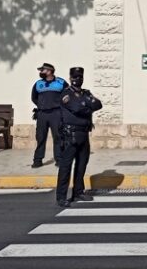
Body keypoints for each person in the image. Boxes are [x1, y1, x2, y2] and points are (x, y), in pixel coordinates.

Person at [55, 67, 103, 208]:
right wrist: (87, 106)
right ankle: (61, 196)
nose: (78, 80)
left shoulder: (86, 93)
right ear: (70, 78)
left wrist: (86, 106)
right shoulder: (66, 94)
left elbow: (98, 104)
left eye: (80, 77)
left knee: (82, 165)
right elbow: (76, 108)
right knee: (66, 167)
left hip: (84, 133)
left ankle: (78, 191)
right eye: (75, 77)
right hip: (70, 135)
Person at [31, 62, 67, 168]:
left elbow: (68, 96)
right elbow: (34, 97)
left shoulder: (61, 82)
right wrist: (42, 105)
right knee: (40, 137)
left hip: (56, 113)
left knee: (58, 137)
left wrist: (62, 108)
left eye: (42, 70)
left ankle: (59, 159)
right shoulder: (38, 84)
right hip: (42, 114)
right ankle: (37, 160)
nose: (41, 72)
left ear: (49, 71)